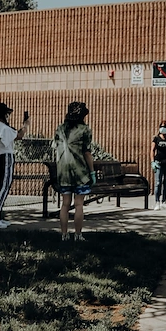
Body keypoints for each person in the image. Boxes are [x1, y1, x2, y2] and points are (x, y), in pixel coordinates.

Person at [52, 101, 95, 241]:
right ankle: (78, 234)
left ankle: (64, 234)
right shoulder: (85, 129)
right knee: (78, 204)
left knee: (65, 204)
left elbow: (56, 149)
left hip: (63, 171)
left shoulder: (60, 129)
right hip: (80, 171)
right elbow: (87, 153)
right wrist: (92, 172)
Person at [0, 102, 29, 228]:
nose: (8, 116)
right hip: (7, 157)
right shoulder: (4, 128)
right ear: (4, 114)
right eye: (7, 114)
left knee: (0, 186)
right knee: (4, 187)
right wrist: (25, 126)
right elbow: (19, 135)